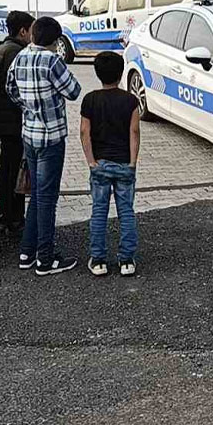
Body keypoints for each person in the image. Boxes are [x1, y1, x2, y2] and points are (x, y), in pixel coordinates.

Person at [6, 16, 81, 276]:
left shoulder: (20, 57)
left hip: (29, 135)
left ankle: (27, 252)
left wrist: (30, 108)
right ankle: (46, 260)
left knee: (36, 196)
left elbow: (11, 90)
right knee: (47, 199)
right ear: (55, 39)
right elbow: (74, 91)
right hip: (52, 137)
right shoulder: (53, 61)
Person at [79, 52, 140, 277]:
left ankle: (98, 260)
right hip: (124, 163)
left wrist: (91, 161)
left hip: (100, 164)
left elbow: (85, 132)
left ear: (97, 73)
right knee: (126, 212)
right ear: (121, 72)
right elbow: (134, 132)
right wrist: (133, 162)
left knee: (99, 212)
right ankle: (126, 260)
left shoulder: (90, 99)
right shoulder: (130, 100)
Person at [0, 10, 34, 234]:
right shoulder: (17, 53)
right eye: (31, 30)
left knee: (6, 169)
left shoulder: (0, 50)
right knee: (16, 171)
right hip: (14, 121)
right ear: (23, 31)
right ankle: (14, 217)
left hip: (1, 120)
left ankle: (6, 214)